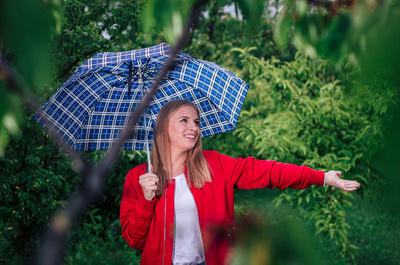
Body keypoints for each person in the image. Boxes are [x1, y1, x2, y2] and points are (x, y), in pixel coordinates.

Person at [120, 99, 360, 265]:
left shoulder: (214, 165)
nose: (193, 127)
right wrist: (146, 198)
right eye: (184, 120)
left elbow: (269, 172)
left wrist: (321, 177)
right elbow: (135, 240)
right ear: (163, 128)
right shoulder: (139, 178)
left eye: (196, 122)